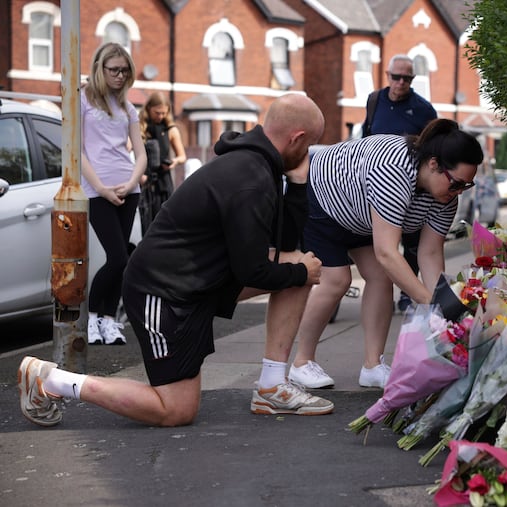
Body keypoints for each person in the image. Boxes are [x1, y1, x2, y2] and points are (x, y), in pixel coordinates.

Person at [18, 93, 331, 428]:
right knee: (176, 410)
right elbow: (252, 270)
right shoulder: (250, 178)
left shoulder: (259, 167)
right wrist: (297, 270)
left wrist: (298, 185)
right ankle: (50, 380)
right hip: (162, 293)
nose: (307, 155)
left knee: (300, 265)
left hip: (198, 282)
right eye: (309, 146)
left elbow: (281, 246)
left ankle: (271, 386)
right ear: (296, 138)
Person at [288, 118, 483, 390]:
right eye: (456, 184)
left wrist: (445, 306)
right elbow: (386, 252)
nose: (458, 193)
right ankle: (301, 363)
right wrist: (428, 303)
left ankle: (372, 366)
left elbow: (429, 253)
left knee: (381, 278)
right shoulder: (394, 171)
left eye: (466, 186)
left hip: (362, 214)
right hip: (322, 197)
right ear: (434, 164)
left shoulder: (445, 195)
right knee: (337, 280)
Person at [81, 42, 147, 346]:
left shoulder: (128, 107)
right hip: (98, 191)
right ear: (99, 68)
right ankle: (92, 318)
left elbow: (141, 155)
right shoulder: (81, 100)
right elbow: (78, 153)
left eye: (125, 71)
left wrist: (132, 180)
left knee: (123, 260)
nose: (120, 76)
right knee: (117, 256)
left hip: (127, 188)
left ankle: (109, 321)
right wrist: (102, 189)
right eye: (114, 70)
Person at [361, 54, 438, 315]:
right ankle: (382, 289)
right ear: (387, 75)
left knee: (413, 244)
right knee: (381, 243)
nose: (401, 83)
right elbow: (365, 138)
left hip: (411, 187)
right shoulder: (374, 101)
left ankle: (407, 294)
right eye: (396, 77)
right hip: (377, 185)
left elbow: (433, 149)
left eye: (407, 78)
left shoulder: (423, 109)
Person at [138, 92, 187, 234]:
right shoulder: (140, 128)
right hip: (144, 182)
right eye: (157, 112)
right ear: (148, 109)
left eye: (163, 113)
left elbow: (182, 156)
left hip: (164, 182)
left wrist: (173, 162)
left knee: (166, 223)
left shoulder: (171, 130)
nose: (160, 116)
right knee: (146, 226)